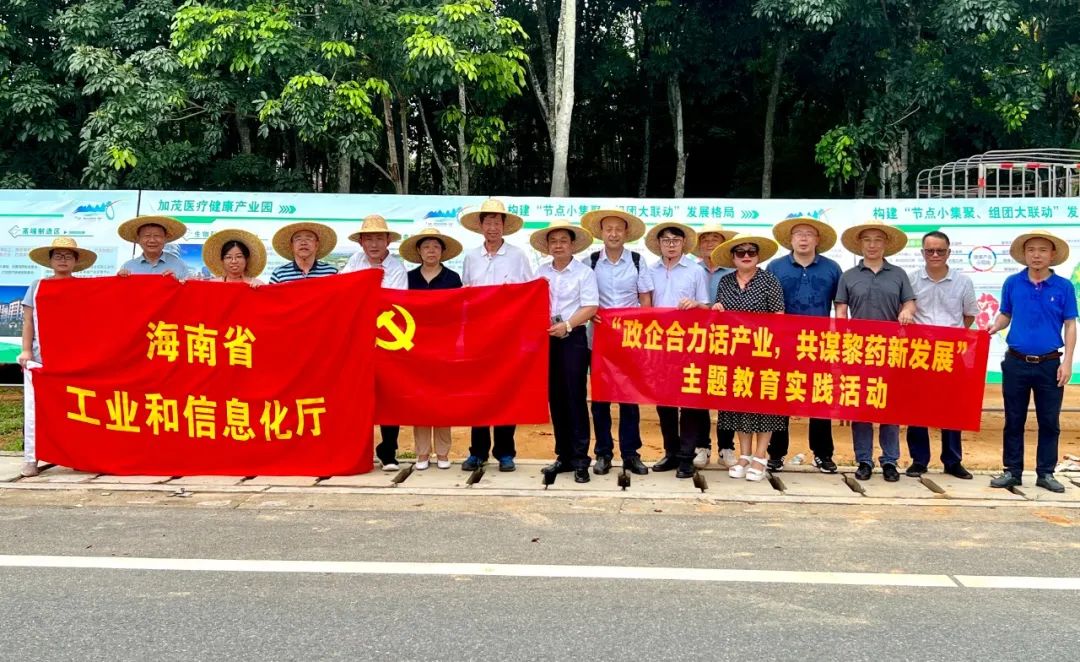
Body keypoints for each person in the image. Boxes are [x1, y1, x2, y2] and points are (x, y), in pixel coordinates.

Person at [986, 230, 1076, 493]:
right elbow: (1006, 314)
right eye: (1031, 250)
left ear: (1052, 255)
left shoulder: (1064, 287)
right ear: (1024, 255)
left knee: (1049, 421)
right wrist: (994, 327)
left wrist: (1068, 362)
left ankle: (1046, 473)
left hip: (1050, 364)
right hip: (1016, 362)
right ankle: (1012, 471)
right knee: (1014, 419)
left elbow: (1070, 324)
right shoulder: (1013, 283)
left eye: (1042, 250)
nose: (1036, 255)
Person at [835, 219, 915, 482]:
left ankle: (890, 460)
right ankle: (864, 460)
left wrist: (906, 311)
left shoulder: (898, 274)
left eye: (877, 240)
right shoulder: (848, 276)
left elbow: (909, 304)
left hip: (891, 350)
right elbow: (841, 312)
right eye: (867, 240)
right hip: (858, 351)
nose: (872, 245)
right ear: (860, 244)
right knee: (861, 408)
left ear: (886, 244)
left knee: (889, 406)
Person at [458, 198, 534, 472]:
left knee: (505, 392)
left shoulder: (517, 256)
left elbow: (529, 292)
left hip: (508, 337)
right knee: (478, 393)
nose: (492, 227)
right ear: (480, 226)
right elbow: (465, 295)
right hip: (478, 336)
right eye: (488, 222)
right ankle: (478, 451)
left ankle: (505, 452)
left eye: (497, 222)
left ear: (504, 226)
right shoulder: (471, 257)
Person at [706, 234, 786, 482]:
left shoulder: (769, 281)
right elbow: (720, 314)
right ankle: (745, 455)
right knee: (738, 403)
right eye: (740, 252)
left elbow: (779, 317)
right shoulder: (725, 281)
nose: (746, 255)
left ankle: (761, 456)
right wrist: (717, 310)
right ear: (733, 257)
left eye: (751, 251)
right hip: (734, 353)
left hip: (763, 352)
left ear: (758, 256)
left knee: (764, 404)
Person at [765, 216, 842, 473]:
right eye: (799, 233)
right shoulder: (776, 267)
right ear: (790, 239)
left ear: (818, 239)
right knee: (780, 398)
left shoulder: (832, 268)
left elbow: (841, 305)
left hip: (819, 344)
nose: (804, 238)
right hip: (783, 343)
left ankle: (823, 454)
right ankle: (776, 453)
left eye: (809, 234)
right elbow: (767, 305)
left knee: (819, 397)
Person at [580, 209, 653, 476]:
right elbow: (584, 298)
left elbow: (645, 298)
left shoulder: (637, 261)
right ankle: (603, 453)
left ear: (626, 233)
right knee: (600, 398)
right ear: (601, 233)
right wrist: (592, 313)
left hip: (629, 340)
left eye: (618, 229)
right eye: (608, 229)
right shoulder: (589, 262)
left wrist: (641, 328)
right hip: (598, 340)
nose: (613, 234)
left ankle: (631, 453)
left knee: (629, 398)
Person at [17, 238, 98, 477]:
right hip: (43, 357)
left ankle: (76, 456)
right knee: (39, 409)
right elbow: (28, 321)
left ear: (76, 261)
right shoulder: (38, 286)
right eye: (58, 256)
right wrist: (26, 350)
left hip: (75, 359)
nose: (63, 260)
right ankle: (32, 458)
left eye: (68, 256)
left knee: (76, 409)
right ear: (50, 260)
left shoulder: (84, 287)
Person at [905, 231, 978, 479]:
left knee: (952, 407)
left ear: (949, 252)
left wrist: (950, 337)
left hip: (951, 352)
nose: (935, 255)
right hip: (920, 351)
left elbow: (969, 315)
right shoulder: (911, 280)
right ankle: (919, 460)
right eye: (929, 250)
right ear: (922, 252)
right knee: (917, 407)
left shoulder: (963, 282)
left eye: (940, 250)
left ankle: (953, 461)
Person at [532, 220, 600, 484]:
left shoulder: (584, 273)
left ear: (572, 245)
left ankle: (581, 460)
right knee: (556, 398)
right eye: (553, 241)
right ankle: (563, 456)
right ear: (547, 246)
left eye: (563, 241)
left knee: (575, 397)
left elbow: (590, 306)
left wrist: (568, 325)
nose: (558, 245)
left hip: (574, 338)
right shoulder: (541, 271)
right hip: (546, 339)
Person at [343, 214, 409, 470]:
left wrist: (366, 292)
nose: (373, 244)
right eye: (368, 238)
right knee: (355, 396)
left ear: (388, 241)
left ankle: (388, 451)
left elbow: (395, 302)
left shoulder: (397, 268)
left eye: (379, 238)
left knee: (389, 396)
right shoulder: (354, 262)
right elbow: (343, 292)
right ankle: (356, 449)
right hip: (357, 341)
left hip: (387, 342)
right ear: (361, 242)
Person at [645, 220, 710, 479]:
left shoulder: (695, 271)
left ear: (684, 244)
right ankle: (671, 452)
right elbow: (645, 306)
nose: (671, 245)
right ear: (659, 244)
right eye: (666, 241)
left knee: (689, 400)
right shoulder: (650, 270)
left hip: (689, 344)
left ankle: (686, 456)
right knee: (664, 402)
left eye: (675, 240)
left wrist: (695, 304)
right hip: (660, 344)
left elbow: (706, 307)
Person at [399, 227, 464, 470]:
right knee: (420, 398)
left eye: (436, 247)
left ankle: (444, 453)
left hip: (444, 346)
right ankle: (422, 453)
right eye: (426, 247)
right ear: (418, 251)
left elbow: (458, 311)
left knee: (443, 397)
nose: (431, 251)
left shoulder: (452, 278)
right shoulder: (409, 278)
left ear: (442, 251)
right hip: (415, 346)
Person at [694, 223, 739, 470]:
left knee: (726, 393)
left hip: (727, 340)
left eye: (715, 238)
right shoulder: (691, 269)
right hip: (697, 341)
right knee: (698, 393)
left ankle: (726, 447)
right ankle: (701, 445)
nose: (709, 243)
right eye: (705, 239)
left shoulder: (734, 272)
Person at [117, 215, 188, 278]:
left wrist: (177, 282)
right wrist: (120, 280)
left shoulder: (179, 265)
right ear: (138, 239)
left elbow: (188, 288)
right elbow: (121, 288)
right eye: (147, 236)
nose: (152, 240)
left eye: (157, 236)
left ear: (165, 238)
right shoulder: (128, 267)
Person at [267, 222, 338, 283]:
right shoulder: (279, 274)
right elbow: (270, 295)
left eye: (309, 238)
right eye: (298, 239)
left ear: (316, 245)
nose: (303, 243)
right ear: (292, 246)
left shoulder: (331, 272)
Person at [201, 229, 267, 286]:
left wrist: (259, 290)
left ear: (246, 259)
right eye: (228, 257)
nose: (234, 261)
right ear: (222, 260)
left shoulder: (257, 284)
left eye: (239, 256)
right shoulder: (213, 284)